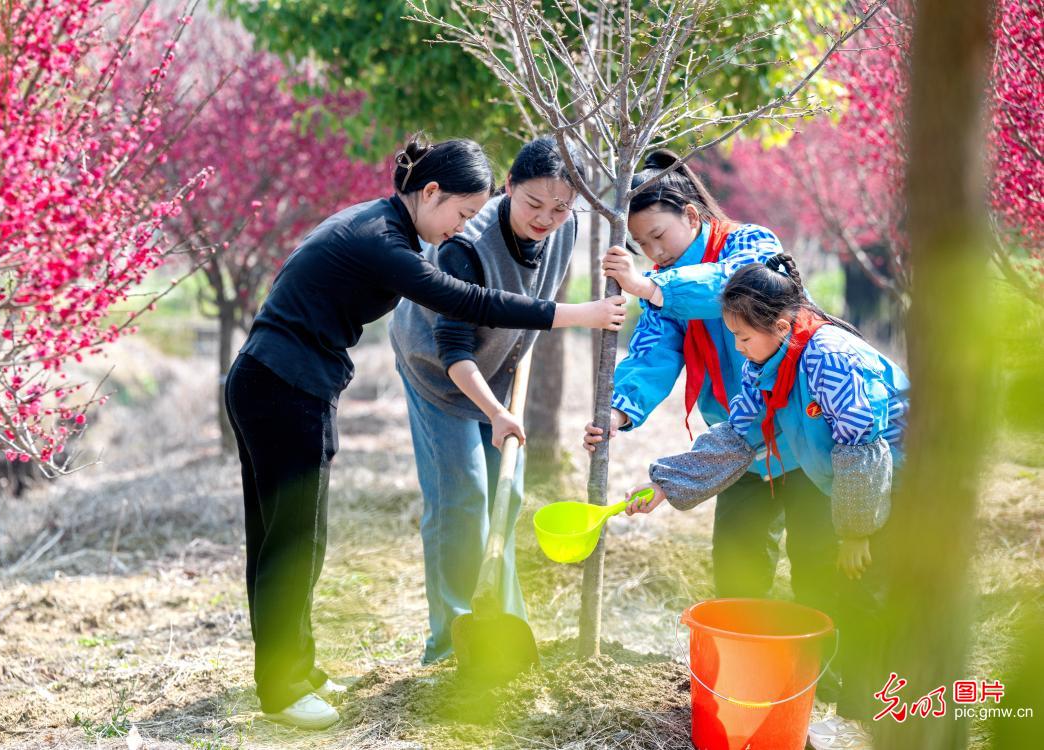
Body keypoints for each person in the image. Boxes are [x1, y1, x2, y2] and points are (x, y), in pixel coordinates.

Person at [225, 136, 627, 729]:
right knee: (294, 543)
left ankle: (295, 669)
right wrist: (576, 315)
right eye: (462, 215)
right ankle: (282, 690)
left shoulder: (381, 223)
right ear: (431, 192)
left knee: (285, 538)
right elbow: (465, 299)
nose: (462, 228)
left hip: (274, 381)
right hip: (286, 386)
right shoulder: (383, 241)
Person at [623, 255, 909, 750]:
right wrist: (667, 484)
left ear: (780, 325)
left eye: (743, 337)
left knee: (864, 592)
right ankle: (843, 710)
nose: (737, 348)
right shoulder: (765, 365)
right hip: (847, 481)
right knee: (844, 587)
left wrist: (857, 531)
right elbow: (737, 436)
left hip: (893, 479)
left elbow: (863, 448)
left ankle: (870, 719)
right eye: (732, 336)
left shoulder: (833, 358)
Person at [584, 150, 831, 616]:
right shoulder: (658, 284)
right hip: (740, 445)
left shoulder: (751, 243)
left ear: (692, 215)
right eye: (642, 246)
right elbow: (652, 354)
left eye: (658, 235)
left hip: (806, 435)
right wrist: (617, 411)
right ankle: (748, 678)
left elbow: (736, 287)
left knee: (820, 569)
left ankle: (831, 680)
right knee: (737, 576)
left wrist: (653, 288)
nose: (654, 254)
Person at [390, 136, 584, 665]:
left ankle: (503, 621)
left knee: (509, 494)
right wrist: (495, 413)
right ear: (508, 189)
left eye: (560, 208)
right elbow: (452, 350)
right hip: (439, 370)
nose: (546, 218)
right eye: (533, 205)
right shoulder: (465, 248)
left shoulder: (568, 230)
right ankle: (450, 642)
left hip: (500, 368)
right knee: (465, 497)